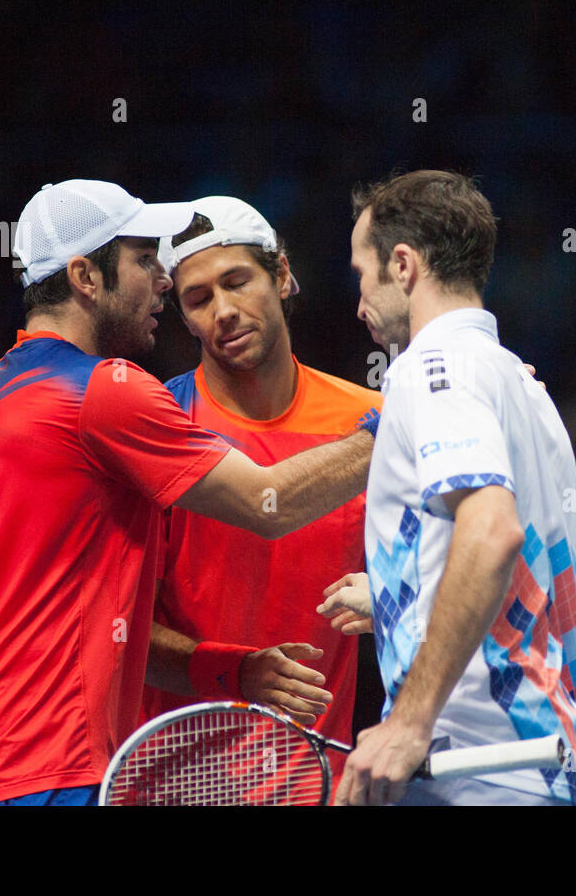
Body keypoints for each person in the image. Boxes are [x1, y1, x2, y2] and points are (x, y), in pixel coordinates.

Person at [0, 180, 375, 806]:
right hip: (54, 773)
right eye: (143, 259)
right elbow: (271, 502)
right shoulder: (110, 390)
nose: (160, 278)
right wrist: (407, 420)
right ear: (85, 276)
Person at [327, 170, 576, 806]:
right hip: (536, 763)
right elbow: (568, 566)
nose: (358, 302)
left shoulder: (431, 369)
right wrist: (405, 592)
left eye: (362, 275)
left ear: (403, 264)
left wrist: (407, 724)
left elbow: (494, 532)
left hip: (478, 765)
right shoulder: (525, 387)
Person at [140, 196, 381, 791]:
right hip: (176, 785)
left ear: (280, 274)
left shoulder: (370, 418)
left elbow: (449, 582)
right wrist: (233, 673)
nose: (223, 311)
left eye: (237, 282)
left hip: (319, 781)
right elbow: (117, 628)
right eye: (198, 299)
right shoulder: (157, 429)